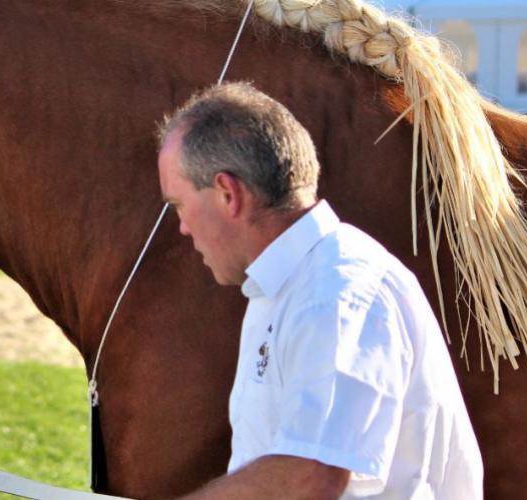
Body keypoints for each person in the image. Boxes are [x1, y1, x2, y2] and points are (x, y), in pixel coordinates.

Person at [156, 82, 482, 499]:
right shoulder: (290, 284)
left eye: (179, 204)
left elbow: (313, 476)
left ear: (227, 193)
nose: (182, 227)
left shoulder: (338, 292)